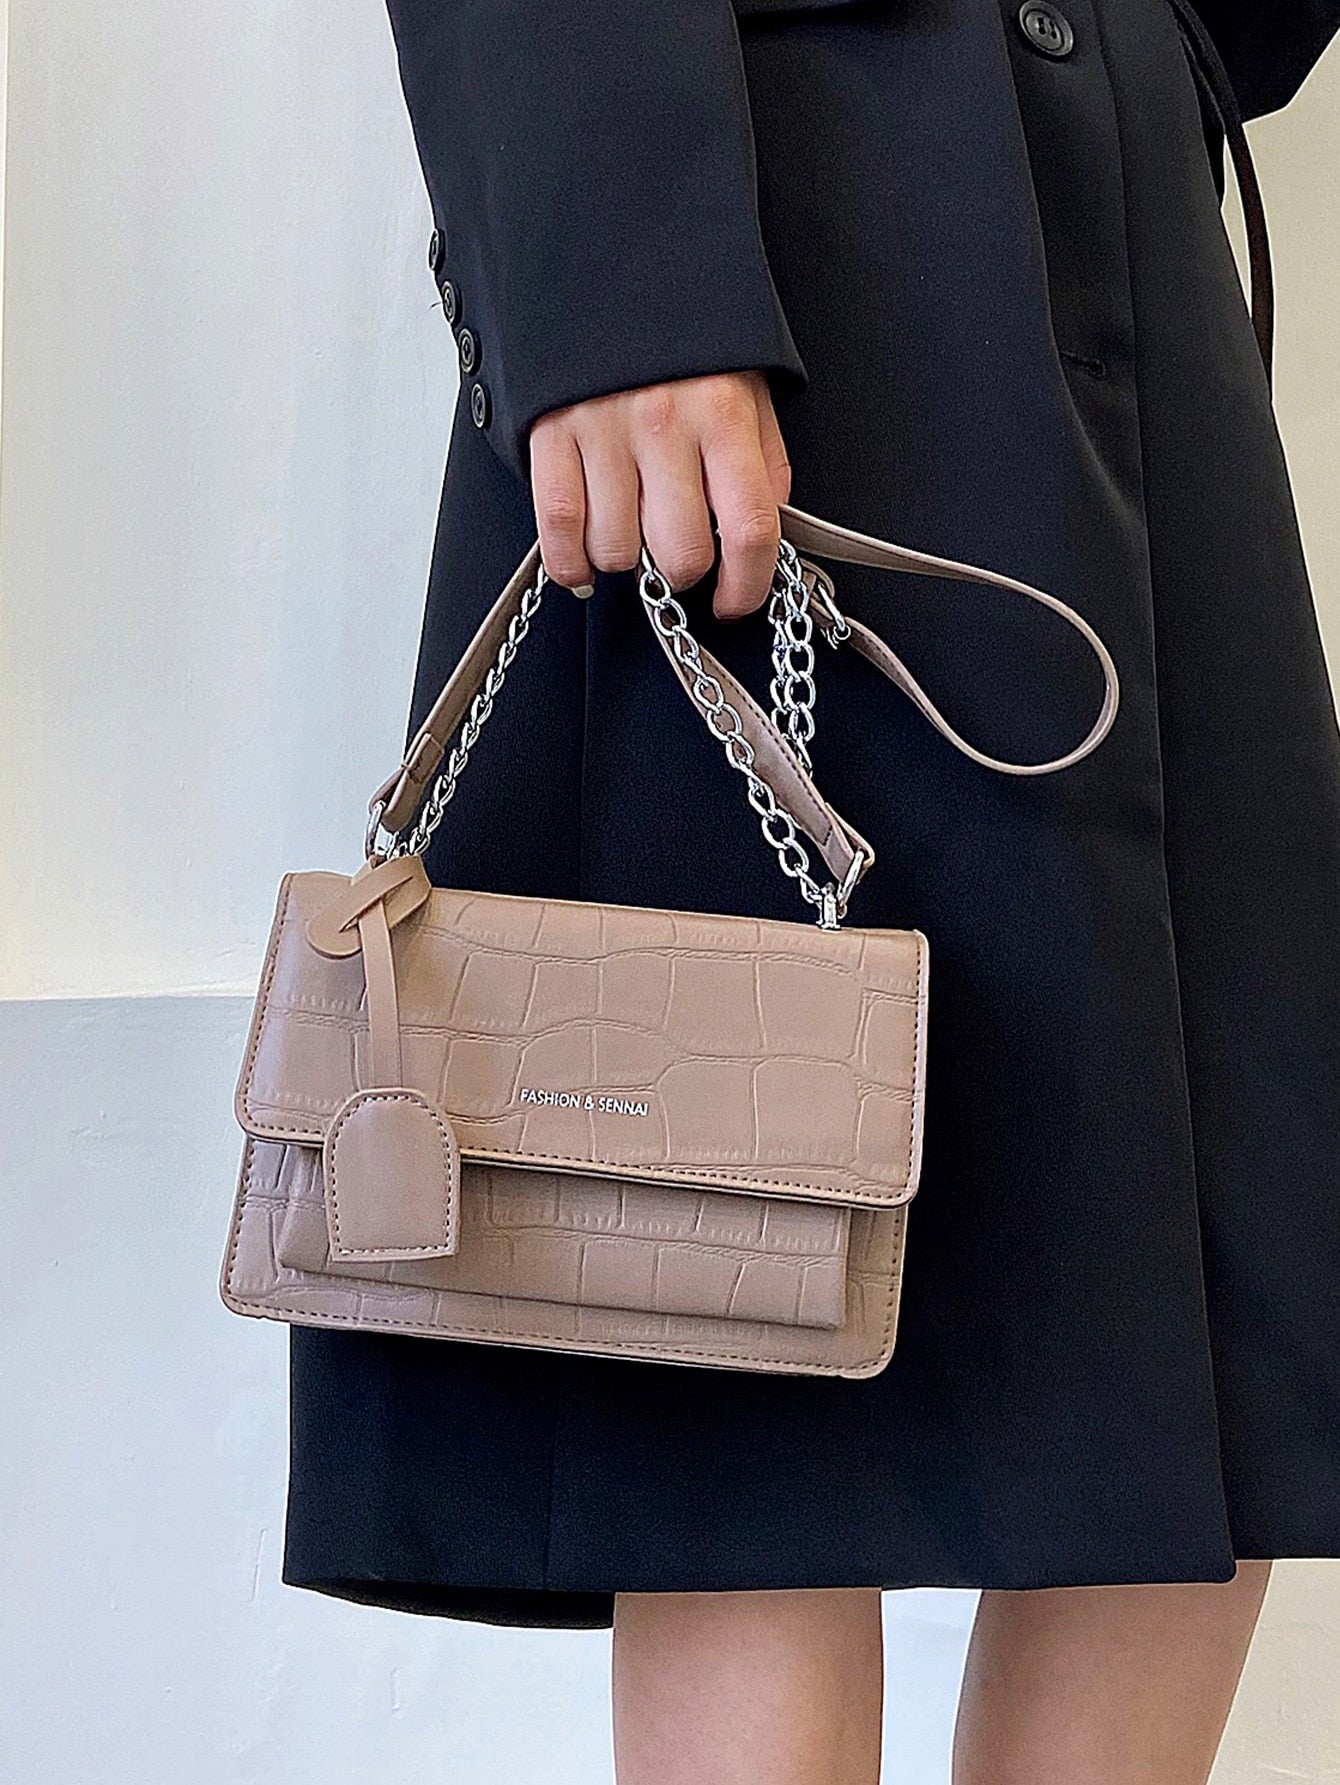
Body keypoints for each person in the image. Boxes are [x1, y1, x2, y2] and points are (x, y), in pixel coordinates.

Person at [281, 3, 1340, 1779]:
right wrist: (619, 266)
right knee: (734, 1265)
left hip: (1122, 179)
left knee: (1225, 1290)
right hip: (776, 201)